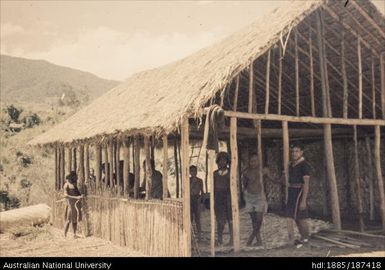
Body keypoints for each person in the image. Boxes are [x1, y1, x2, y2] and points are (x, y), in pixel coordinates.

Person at [285, 143, 311, 247]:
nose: (294, 153)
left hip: (299, 191)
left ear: (301, 152)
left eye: (296, 151)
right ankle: (302, 237)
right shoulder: (291, 165)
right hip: (292, 191)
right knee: (294, 217)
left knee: (302, 217)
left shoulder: (304, 165)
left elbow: (306, 184)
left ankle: (306, 239)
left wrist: (303, 200)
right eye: (293, 151)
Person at [242, 152, 269, 247]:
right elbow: (244, 185)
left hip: (259, 197)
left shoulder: (263, 170)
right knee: (253, 220)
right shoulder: (246, 172)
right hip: (249, 197)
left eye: (255, 161)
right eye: (251, 161)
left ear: (259, 161)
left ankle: (251, 238)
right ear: (249, 162)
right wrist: (245, 195)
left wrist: (281, 179)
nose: (253, 163)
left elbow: (272, 180)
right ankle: (259, 241)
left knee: (259, 220)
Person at [213, 151, 233, 246]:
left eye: (224, 160)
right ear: (217, 161)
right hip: (218, 197)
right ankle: (220, 239)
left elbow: (233, 186)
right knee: (220, 219)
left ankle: (232, 240)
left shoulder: (231, 173)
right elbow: (213, 187)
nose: (222, 162)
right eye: (220, 160)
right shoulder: (215, 173)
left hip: (228, 197)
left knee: (230, 218)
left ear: (227, 161)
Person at [63, 171, 83, 238]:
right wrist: (76, 197)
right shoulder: (66, 185)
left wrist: (80, 196)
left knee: (75, 220)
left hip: (75, 205)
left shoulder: (74, 185)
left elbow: (78, 193)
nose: (75, 178)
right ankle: (64, 235)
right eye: (74, 176)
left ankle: (74, 234)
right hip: (70, 204)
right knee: (68, 220)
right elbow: (65, 195)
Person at [189, 165, 204, 241]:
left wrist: (202, 201)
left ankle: (199, 235)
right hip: (190, 200)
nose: (193, 172)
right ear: (189, 172)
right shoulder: (188, 180)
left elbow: (202, 191)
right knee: (190, 218)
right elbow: (187, 191)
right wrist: (192, 183)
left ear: (197, 172)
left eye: (195, 171)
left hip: (197, 199)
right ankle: (191, 235)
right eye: (192, 171)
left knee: (197, 218)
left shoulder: (200, 180)